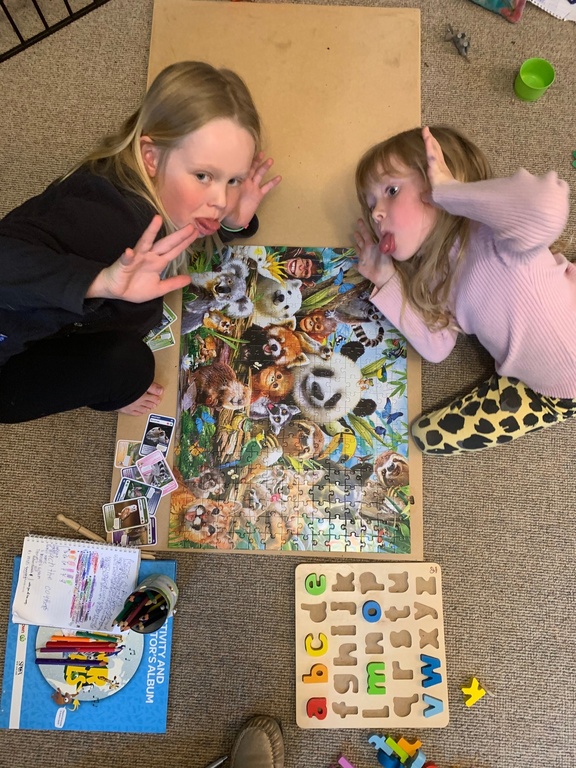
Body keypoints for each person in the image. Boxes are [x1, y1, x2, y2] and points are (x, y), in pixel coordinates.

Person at [0, 61, 281, 424]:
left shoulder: (157, 190)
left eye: (234, 180)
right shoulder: (106, 219)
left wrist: (229, 224)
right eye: (203, 175)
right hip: (9, 355)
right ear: (151, 157)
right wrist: (98, 282)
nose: (222, 200)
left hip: (52, 317)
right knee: (132, 372)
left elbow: (189, 233)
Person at [354, 124, 576, 455]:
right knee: (425, 435)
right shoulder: (432, 278)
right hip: (551, 385)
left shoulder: (494, 234)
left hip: (556, 389)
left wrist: (450, 193)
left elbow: (548, 205)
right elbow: (437, 347)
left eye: (391, 191)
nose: (376, 213)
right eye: (371, 203)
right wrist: (387, 279)